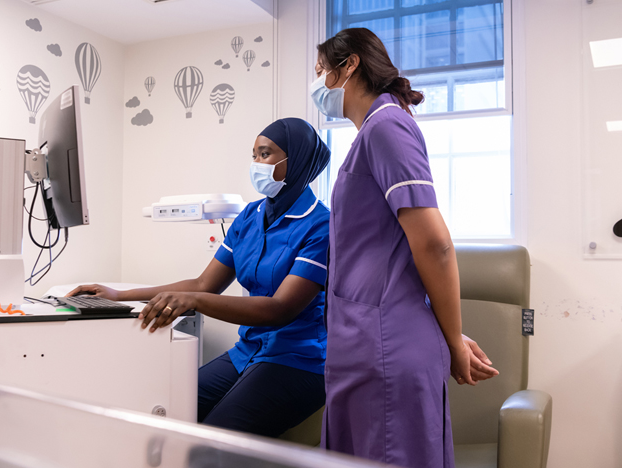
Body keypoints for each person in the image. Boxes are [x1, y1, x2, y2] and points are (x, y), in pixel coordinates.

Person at [68, 118, 331, 437]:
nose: (257, 164)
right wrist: (118, 294)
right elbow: (203, 284)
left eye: (266, 154)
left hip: (299, 360)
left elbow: (279, 309)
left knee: (212, 439)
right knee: (166, 410)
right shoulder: (250, 216)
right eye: (254, 156)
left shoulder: (321, 225)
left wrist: (195, 301)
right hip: (248, 350)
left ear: (297, 159)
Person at [311, 28, 497, 467]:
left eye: (321, 71)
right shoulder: (375, 130)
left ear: (350, 64)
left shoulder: (387, 126)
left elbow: (434, 245)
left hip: (382, 344)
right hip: (366, 340)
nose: (317, 82)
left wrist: (451, 338)